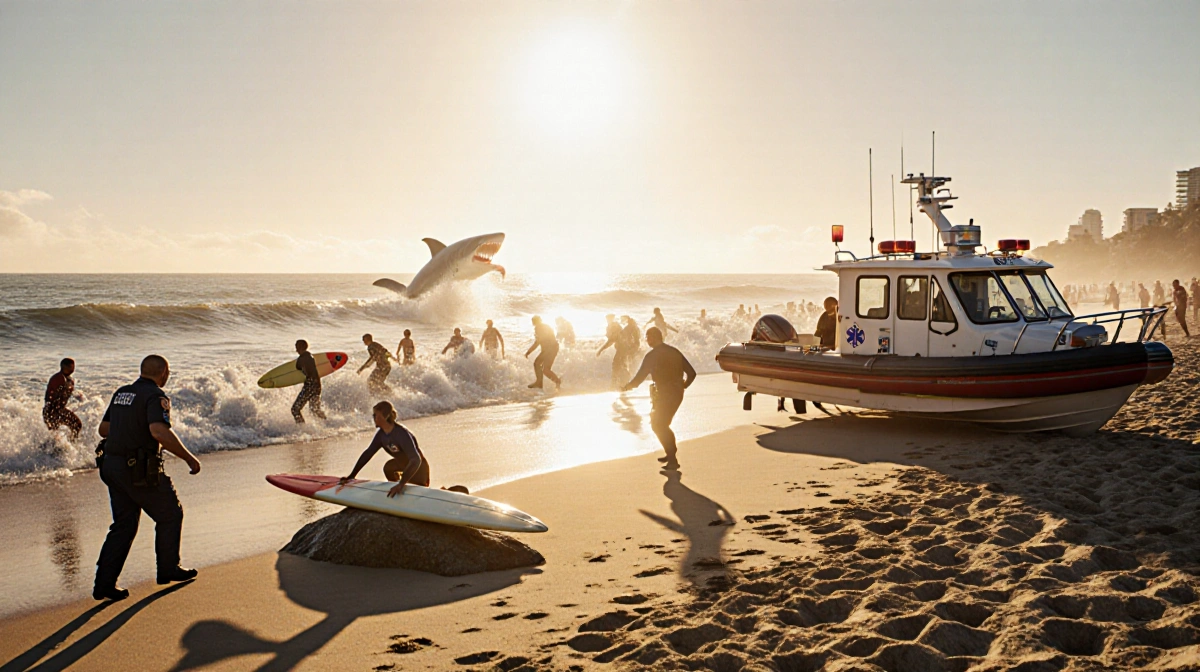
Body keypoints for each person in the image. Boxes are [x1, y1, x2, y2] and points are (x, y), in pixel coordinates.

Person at [93, 355, 201, 601]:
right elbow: (158, 431)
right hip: (138, 470)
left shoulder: (122, 392)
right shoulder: (156, 396)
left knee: (124, 525)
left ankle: (104, 584)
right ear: (163, 372)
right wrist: (189, 458)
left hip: (111, 466)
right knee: (170, 514)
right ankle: (168, 568)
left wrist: (130, 427)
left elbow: (104, 429)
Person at [340, 401, 469, 497]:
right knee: (388, 467)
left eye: (376, 415)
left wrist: (402, 483)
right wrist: (352, 475)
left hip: (418, 470)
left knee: (419, 492)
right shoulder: (381, 435)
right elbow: (368, 453)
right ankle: (397, 490)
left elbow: (416, 460)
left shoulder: (401, 434)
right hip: (403, 467)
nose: (373, 418)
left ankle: (445, 491)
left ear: (385, 416)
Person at [622, 327, 696, 471]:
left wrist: (626, 387)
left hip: (664, 394)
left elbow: (639, 378)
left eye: (647, 337)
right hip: (676, 394)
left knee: (659, 425)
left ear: (654, 337)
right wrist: (682, 387)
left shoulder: (652, 356)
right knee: (661, 424)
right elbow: (692, 373)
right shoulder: (674, 351)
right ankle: (670, 452)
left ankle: (672, 459)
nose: (646, 340)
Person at [44, 357, 82, 440]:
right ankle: (50, 448)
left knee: (77, 425)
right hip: (51, 410)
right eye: (71, 366)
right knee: (54, 435)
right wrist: (51, 413)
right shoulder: (58, 378)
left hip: (60, 410)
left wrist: (78, 396)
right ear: (64, 366)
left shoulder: (70, 380)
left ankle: (72, 444)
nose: (73, 368)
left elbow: (67, 392)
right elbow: (51, 395)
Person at [291, 340, 326, 424]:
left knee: (295, 409)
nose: (296, 350)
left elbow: (298, 366)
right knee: (315, 410)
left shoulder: (302, 358)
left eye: (296, 347)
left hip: (310, 386)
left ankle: (302, 427)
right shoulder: (310, 357)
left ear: (299, 348)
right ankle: (328, 422)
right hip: (317, 385)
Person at [524, 316, 562, 389]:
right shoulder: (546, 326)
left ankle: (540, 383)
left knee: (537, 363)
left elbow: (537, 342)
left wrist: (528, 352)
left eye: (533, 321)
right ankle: (557, 381)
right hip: (554, 348)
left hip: (549, 349)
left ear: (534, 322)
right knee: (545, 369)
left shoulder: (538, 328)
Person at [597, 314, 625, 388]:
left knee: (616, 365)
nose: (608, 320)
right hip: (622, 348)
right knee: (621, 365)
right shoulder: (611, 326)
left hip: (623, 348)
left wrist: (601, 349)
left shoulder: (614, 326)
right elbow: (611, 340)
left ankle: (615, 385)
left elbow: (611, 340)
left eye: (609, 319)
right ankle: (621, 384)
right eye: (607, 319)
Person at [617, 315, 641, 382]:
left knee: (626, 361)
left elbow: (622, 334)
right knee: (630, 362)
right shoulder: (635, 327)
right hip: (636, 346)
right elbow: (638, 338)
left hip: (631, 347)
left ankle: (627, 379)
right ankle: (630, 378)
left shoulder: (629, 327)